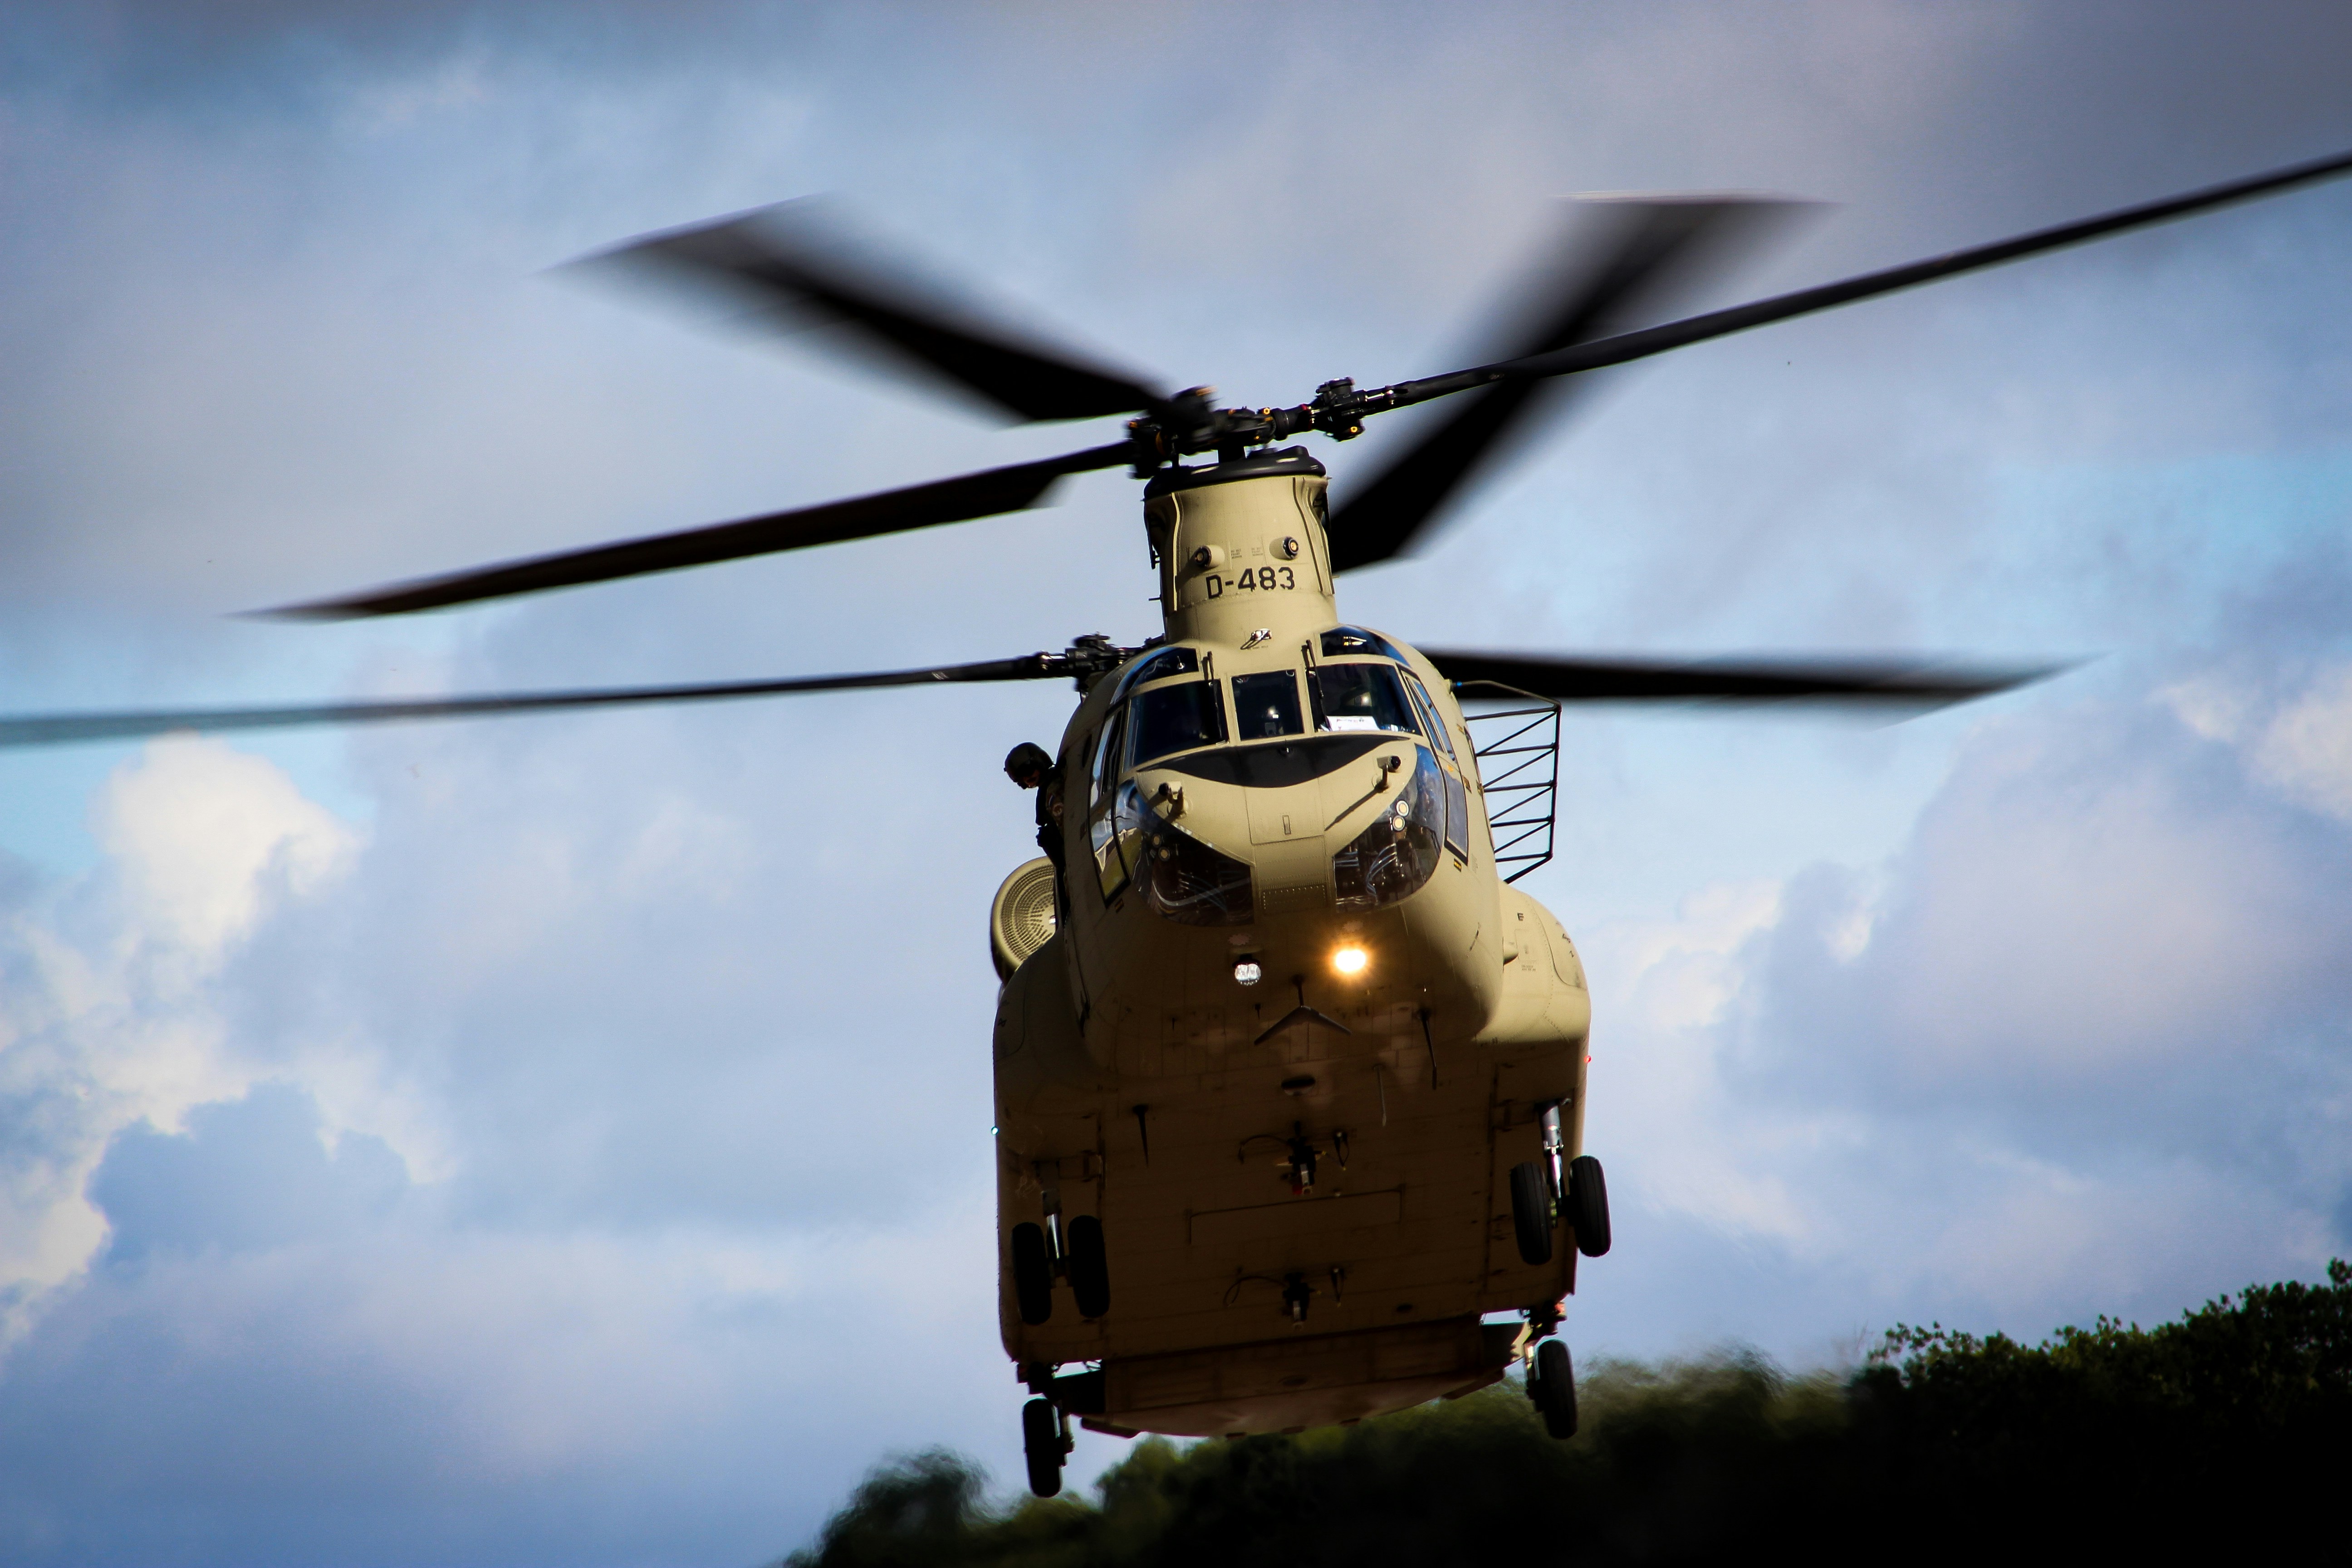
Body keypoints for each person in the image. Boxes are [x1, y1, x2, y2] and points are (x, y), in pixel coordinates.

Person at [1003, 741, 1065, 875]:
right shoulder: (1048, 790)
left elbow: (1067, 825)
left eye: (1028, 770)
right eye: (1021, 776)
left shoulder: (1053, 790)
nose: (1027, 778)